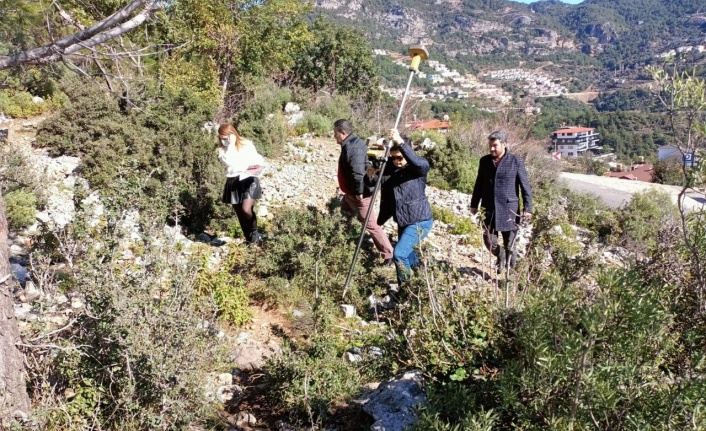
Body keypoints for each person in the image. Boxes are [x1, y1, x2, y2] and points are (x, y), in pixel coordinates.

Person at [368, 128, 433, 291]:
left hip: (419, 221)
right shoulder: (390, 169)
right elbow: (373, 183)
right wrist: (371, 171)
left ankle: (407, 291)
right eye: (393, 157)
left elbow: (418, 163)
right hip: (403, 221)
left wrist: (400, 142)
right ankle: (420, 286)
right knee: (410, 258)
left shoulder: (418, 168)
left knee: (399, 254)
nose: (397, 161)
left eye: (400, 157)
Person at [470, 130, 533, 272]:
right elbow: (479, 183)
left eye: (495, 145)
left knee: (510, 243)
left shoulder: (516, 161)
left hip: (509, 209)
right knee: (489, 241)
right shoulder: (484, 161)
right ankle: (500, 255)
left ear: (504, 145)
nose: (492, 149)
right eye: (490, 145)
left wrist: (528, 208)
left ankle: (511, 274)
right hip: (489, 209)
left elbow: (525, 186)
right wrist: (474, 204)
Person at [334, 119, 394, 263]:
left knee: (370, 224)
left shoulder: (352, 148)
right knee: (343, 214)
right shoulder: (351, 143)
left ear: (343, 133)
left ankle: (388, 254)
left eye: (335, 133)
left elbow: (357, 173)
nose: (334, 136)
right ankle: (341, 240)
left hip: (359, 195)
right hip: (351, 194)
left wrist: (358, 193)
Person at [218, 123, 265, 245]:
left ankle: (254, 234)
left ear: (233, 134)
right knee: (239, 212)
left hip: (249, 179)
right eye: (223, 138)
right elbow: (231, 162)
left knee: (246, 210)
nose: (225, 140)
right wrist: (230, 146)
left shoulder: (246, 144)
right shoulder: (223, 151)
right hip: (233, 181)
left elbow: (257, 159)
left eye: (227, 137)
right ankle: (249, 239)